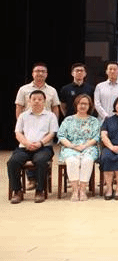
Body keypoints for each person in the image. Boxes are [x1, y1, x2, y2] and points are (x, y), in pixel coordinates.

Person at [14, 62, 61, 190]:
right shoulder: (23, 89)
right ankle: (31, 180)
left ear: (46, 74)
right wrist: (22, 126)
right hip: (28, 127)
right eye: (37, 71)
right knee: (26, 150)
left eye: (43, 71)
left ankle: (41, 180)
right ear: (32, 73)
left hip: (46, 127)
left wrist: (53, 126)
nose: (40, 73)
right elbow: (19, 107)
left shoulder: (52, 90)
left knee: (40, 155)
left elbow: (55, 108)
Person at [7, 90, 58, 204]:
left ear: (44, 101)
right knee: (13, 162)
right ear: (29, 101)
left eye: (40, 99)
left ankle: (39, 191)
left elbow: (52, 134)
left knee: (40, 161)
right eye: (34, 99)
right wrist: (26, 143)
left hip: (44, 147)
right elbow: (18, 133)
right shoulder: (23, 116)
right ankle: (17, 191)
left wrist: (40, 143)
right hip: (24, 147)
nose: (37, 101)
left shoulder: (51, 116)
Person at [57, 94, 100, 201]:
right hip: (70, 147)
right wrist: (72, 146)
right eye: (81, 103)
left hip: (89, 147)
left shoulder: (94, 121)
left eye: (86, 104)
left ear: (89, 106)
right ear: (76, 105)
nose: (83, 106)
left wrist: (85, 146)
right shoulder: (68, 120)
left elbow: (96, 137)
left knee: (87, 160)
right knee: (72, 161)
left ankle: (83, 190)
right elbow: (61, 136)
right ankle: (75, 191)